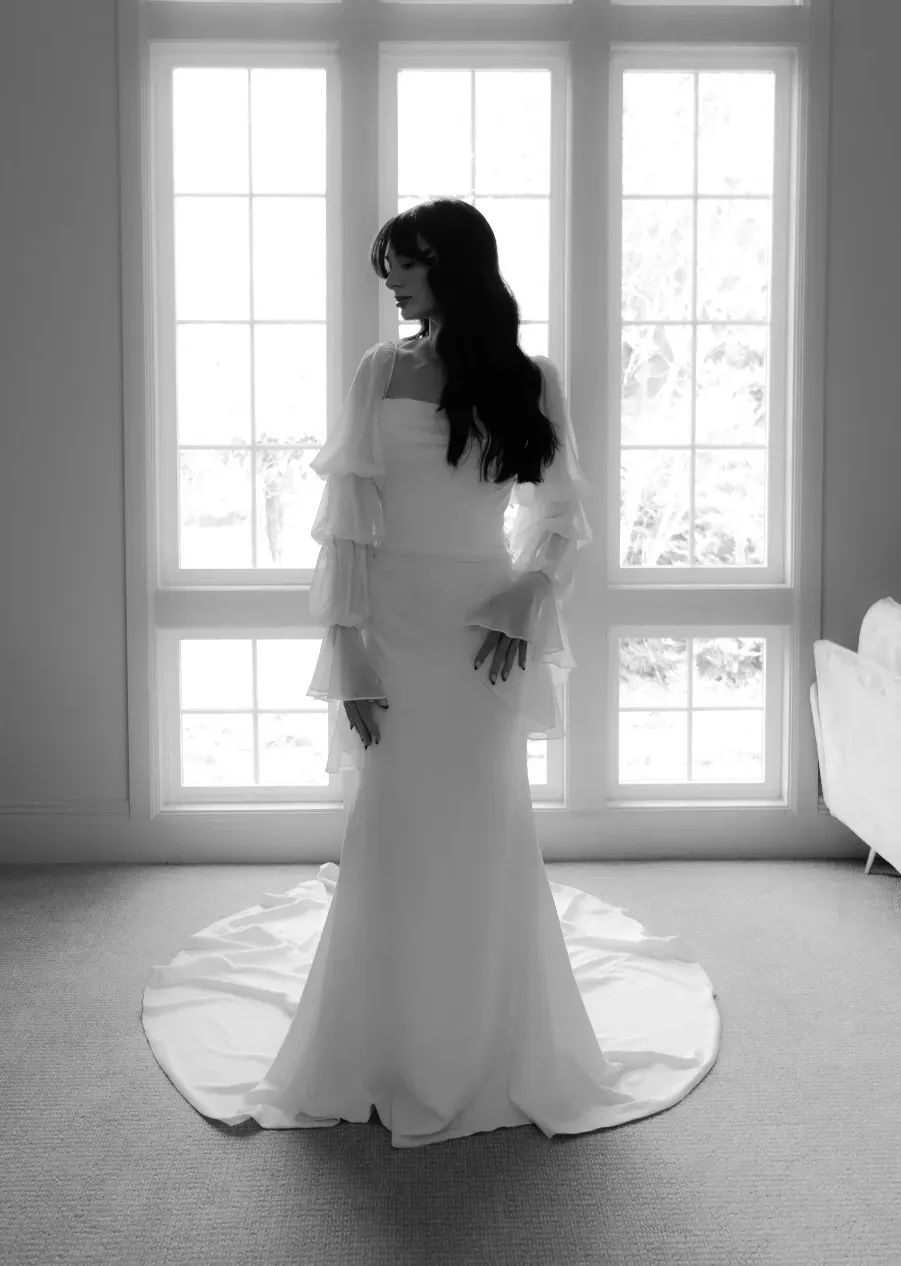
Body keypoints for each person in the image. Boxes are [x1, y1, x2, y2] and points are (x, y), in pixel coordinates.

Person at [141, 199, 720, 1149]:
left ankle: (490, 1036)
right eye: (386, 268)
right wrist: (353, 647)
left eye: (405, 263)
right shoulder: (381, 371)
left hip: (483, 627)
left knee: (488, 811)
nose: (392, 282)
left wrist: (527, 597)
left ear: (453, 264)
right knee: (396, 813)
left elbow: (561, 511)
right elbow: (347, 523)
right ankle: (381, 1042)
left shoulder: (530, 377)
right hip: (396, 624)